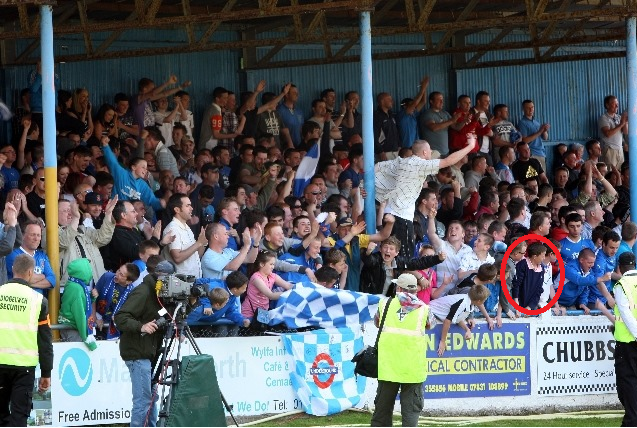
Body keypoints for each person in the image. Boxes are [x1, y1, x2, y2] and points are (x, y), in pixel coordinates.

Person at [374, 137, 476, 258]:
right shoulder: (420, 164)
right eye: (430, 150)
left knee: (391, 254)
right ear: (424, 152)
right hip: (401, 217)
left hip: (389, 213)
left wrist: (365, 187)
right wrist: (470, 147)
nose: (432, 151)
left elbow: (377, 167)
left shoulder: (401, 161)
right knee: (404, 258)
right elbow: (448, 161)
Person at [113, 256, 168, 427]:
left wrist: (192, 301)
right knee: (143, 400)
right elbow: (120, 317)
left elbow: (169, 314)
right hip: (138, 351)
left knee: (150, 398)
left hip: (150, 352)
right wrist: (141, 327)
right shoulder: (143, 291)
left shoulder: (162, 294)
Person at [0, 254, 53, 427]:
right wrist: (46, 372)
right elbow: (45, 340)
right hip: (24, 368)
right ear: (30, 273)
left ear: (13, 270)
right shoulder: (39, 300)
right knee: (19, 417)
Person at [371, 273, 430, 427]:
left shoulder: (385, 304)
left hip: (388, 366)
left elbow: (377, 323)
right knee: (410, 413)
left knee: (382, 413)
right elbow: (430, 325)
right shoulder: (424, 309)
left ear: (398, 287)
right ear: (415, 289)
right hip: (413, 368)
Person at [429, 284, 491, 357]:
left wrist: (467, 330)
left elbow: (458, 319)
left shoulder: (469, 303)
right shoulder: (462, 303)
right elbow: (447, 321)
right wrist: (443, 341)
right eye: (484, 300)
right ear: (479, 301)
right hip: (430, 311)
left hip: (436, 315)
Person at [613, 251, 637, 426]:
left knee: (626, 382)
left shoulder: (621, 285)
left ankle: (631, 421)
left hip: (628, 342)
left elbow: (627, 315)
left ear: (619, 267)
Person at [94, 263, 141, 340]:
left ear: (128, 282)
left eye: (121, 274)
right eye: (119, 270)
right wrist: (95, 318)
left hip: (114, 326)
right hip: (98, 317)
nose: (117, 274)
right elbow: (93, 299)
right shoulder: (107, 277)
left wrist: (119, 318)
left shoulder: (132, 293)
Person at [241, 251, 293, 319]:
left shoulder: (272, 276)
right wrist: (290, 293)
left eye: (273, 264)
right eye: (271, 264)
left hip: (262, 313)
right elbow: (271, 296)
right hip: (249, 314)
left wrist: (300, 288)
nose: (273, 267)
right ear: (262, 264)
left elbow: (288, 285)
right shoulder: (256, 278)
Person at [58, 258, 98, 347]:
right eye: (89, 269)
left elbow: (83, 305)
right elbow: (79, 315)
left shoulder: (76, 284)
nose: (91, 272)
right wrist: (88, 339)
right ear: (83, 271)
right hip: (72, 329)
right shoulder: (76, 288)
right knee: (78, 358)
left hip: (73, 327)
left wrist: (91, 297)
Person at [512, 242, 547, 313]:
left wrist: (530, 306)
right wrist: (517, 305)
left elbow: (539, 289)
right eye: (542, 256)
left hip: (530, 308)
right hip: (517, 306)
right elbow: (516, 285)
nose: (544, 258)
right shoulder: (522, 265)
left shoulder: (542, 268)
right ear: (534, 256)